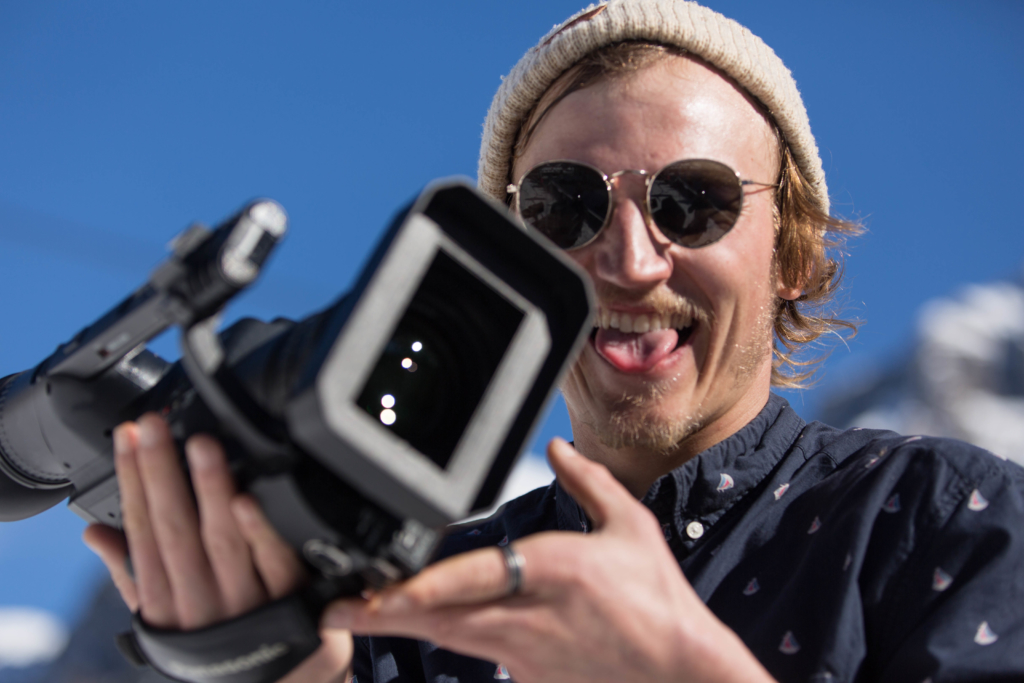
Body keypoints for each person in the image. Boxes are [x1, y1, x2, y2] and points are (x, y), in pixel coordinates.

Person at [84, 1, 1024, 681]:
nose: (630, 262)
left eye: (693, 202)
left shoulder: (949, 522)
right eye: (561, 208)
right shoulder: (405, 610)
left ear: (791, 254)